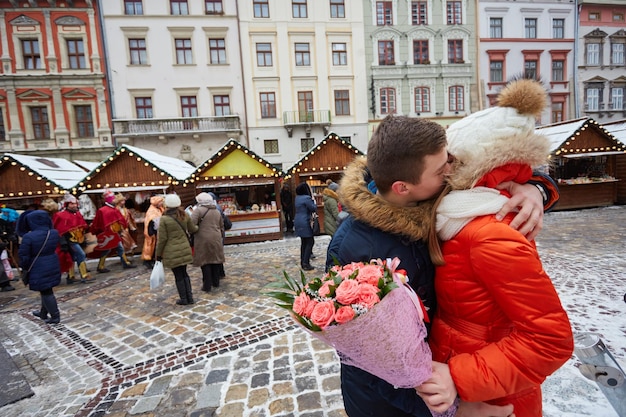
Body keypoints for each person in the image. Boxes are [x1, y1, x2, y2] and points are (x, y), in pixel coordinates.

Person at [326, 114, 558, 417]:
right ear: (402, 188)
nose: (452, 170)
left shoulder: (432, 190)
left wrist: (534, 189)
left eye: (449, 158)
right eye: (442, 167)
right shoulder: (354, 249)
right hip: (389, 406)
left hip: (440, 370)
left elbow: (494, 170)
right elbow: (369, 361)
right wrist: (452, 410)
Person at [420, 79, 573, 417]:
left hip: (494, 398)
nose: (445, 171)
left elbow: (551, 341)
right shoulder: (457, 216)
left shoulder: (490, 234)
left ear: (477, 166)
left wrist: (458, 376)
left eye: (452, 162)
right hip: (468, 384)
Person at [18, 210, 62, 324]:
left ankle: (55, 316)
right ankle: (43, 312)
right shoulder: (53, 232)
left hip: (38, 265)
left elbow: (24, 256)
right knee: (46, 289)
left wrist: (24, 267)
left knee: (46, 292)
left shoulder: (29, 236)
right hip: (52, 262)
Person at [155, 194, 198, 305]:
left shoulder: (164, 219)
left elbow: (162, 239)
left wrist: (158, 254)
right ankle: (190, 297)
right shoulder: (184, 215)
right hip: (184, 248)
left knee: (178, 275)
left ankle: (184, 299)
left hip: (171, 251)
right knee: (185, 273)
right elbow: (193, 229)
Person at [90, 190, 136, 273]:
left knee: (119, 248)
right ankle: (101, 266)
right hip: (108, 234)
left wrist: (121, 229)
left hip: (116, 233)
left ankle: (124, 263)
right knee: (108, 249)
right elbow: (99, 223)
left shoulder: (114, 209)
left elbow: (120, 220)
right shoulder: (102, 210)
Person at [52, 193, 92, 284]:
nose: (74, 205)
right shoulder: (60, 215)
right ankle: (84, 275)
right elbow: (59, 230)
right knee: (81, 254)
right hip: (69, 240)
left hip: (78, 239)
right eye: (72, 204)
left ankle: (71, 276)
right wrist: (63, 243)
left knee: (73, 257)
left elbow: (82, 226)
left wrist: (83, 238)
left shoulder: (77, 214)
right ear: (67, 204)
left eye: (75, 203)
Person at [191, 192, 225, 292]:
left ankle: (207, 285)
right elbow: (221, 225)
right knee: (215, 259)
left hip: (203, 239)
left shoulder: (197, 211)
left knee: (205, 261)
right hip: (216, 237)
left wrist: (197, 229)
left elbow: (192, 225)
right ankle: (216, 282)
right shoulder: (216, 211)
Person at [294, 182, 317, 271]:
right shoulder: (306, 198)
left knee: (304, 242)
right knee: (310, 241)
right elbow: (313, 208)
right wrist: (313, 200)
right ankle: (306, 263)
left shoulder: (297, 198)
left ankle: (303, 261)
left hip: (298, 220)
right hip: (305, 221)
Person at [142, 195, 165, 268]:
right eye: (161, 202)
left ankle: (153, 260)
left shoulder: (159, 208)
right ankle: (147, 261)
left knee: (154, 247)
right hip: (151, 231)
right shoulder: (152, 210)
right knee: (150, 246)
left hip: (156, 230)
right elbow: (150, 221)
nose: (162, 203)